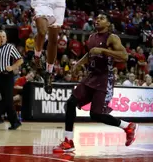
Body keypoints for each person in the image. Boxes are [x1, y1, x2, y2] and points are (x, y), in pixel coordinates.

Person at [53, 13, 138, 153]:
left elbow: (124, 56)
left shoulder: (112, 37)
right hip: (90, 77)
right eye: (97, 18)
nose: (98, 20)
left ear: (108, 23)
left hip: (104, 79)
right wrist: (79, 64)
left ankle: (127, 126)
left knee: (96, 115)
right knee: (70, 103)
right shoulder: (92, 37)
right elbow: (91, 53)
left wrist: (104, 51)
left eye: (102, 18)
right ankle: (68, 141)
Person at [0, 30, 23, 130]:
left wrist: (12, 67)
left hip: (7, 77)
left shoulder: (10, 47)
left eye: (3, 36)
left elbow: (20, 60)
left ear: (6, 38)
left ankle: (14, 122)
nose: (2, 38)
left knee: (8, 101)